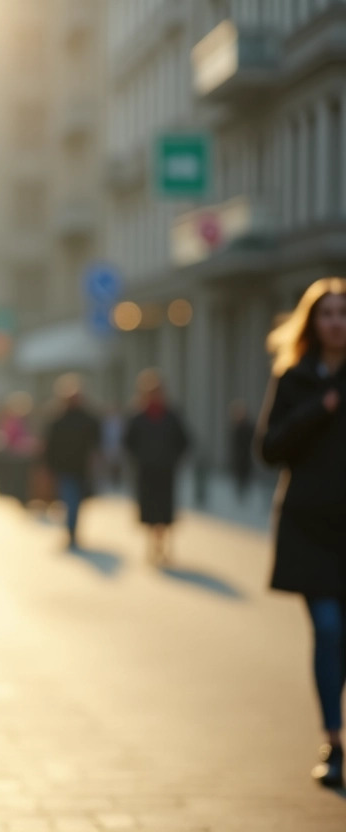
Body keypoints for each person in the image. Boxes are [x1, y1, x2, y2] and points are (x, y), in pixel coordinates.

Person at [257, 277, 346, 788]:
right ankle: (334, 740)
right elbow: (269, 449)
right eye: (327, 313)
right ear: (313, 323)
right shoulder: (294, 379)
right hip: (309, 526)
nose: (336, 321)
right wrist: (321, 408)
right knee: (329, 628)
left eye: (343, 313)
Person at [123, 369, 189, 567]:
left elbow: (184, 441)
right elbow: (128, 442)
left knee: (165, 513)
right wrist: (139, 458)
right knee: (151, 512)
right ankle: (152, 546)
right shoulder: (138, 416)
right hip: (146, 472)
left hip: (165, 471)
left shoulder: (171, 415)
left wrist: (173, 459)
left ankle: (165, 547)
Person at [42, 373, 102, 550]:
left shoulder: (87, 419)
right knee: (70, 500)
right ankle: (71, 531)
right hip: (65, 468)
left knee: (76, 502)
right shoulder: (57, 419)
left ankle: (72, 531)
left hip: (81, 468)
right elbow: (50, 446)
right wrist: (48, 467)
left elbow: (96, 441)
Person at [228, 399, 254, 503]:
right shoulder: (237, 428)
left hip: (245, 458)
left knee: (244, 478)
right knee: (240, 478)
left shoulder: (247, 427)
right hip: (240, 458)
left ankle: (244, 495)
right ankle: (241, 495)